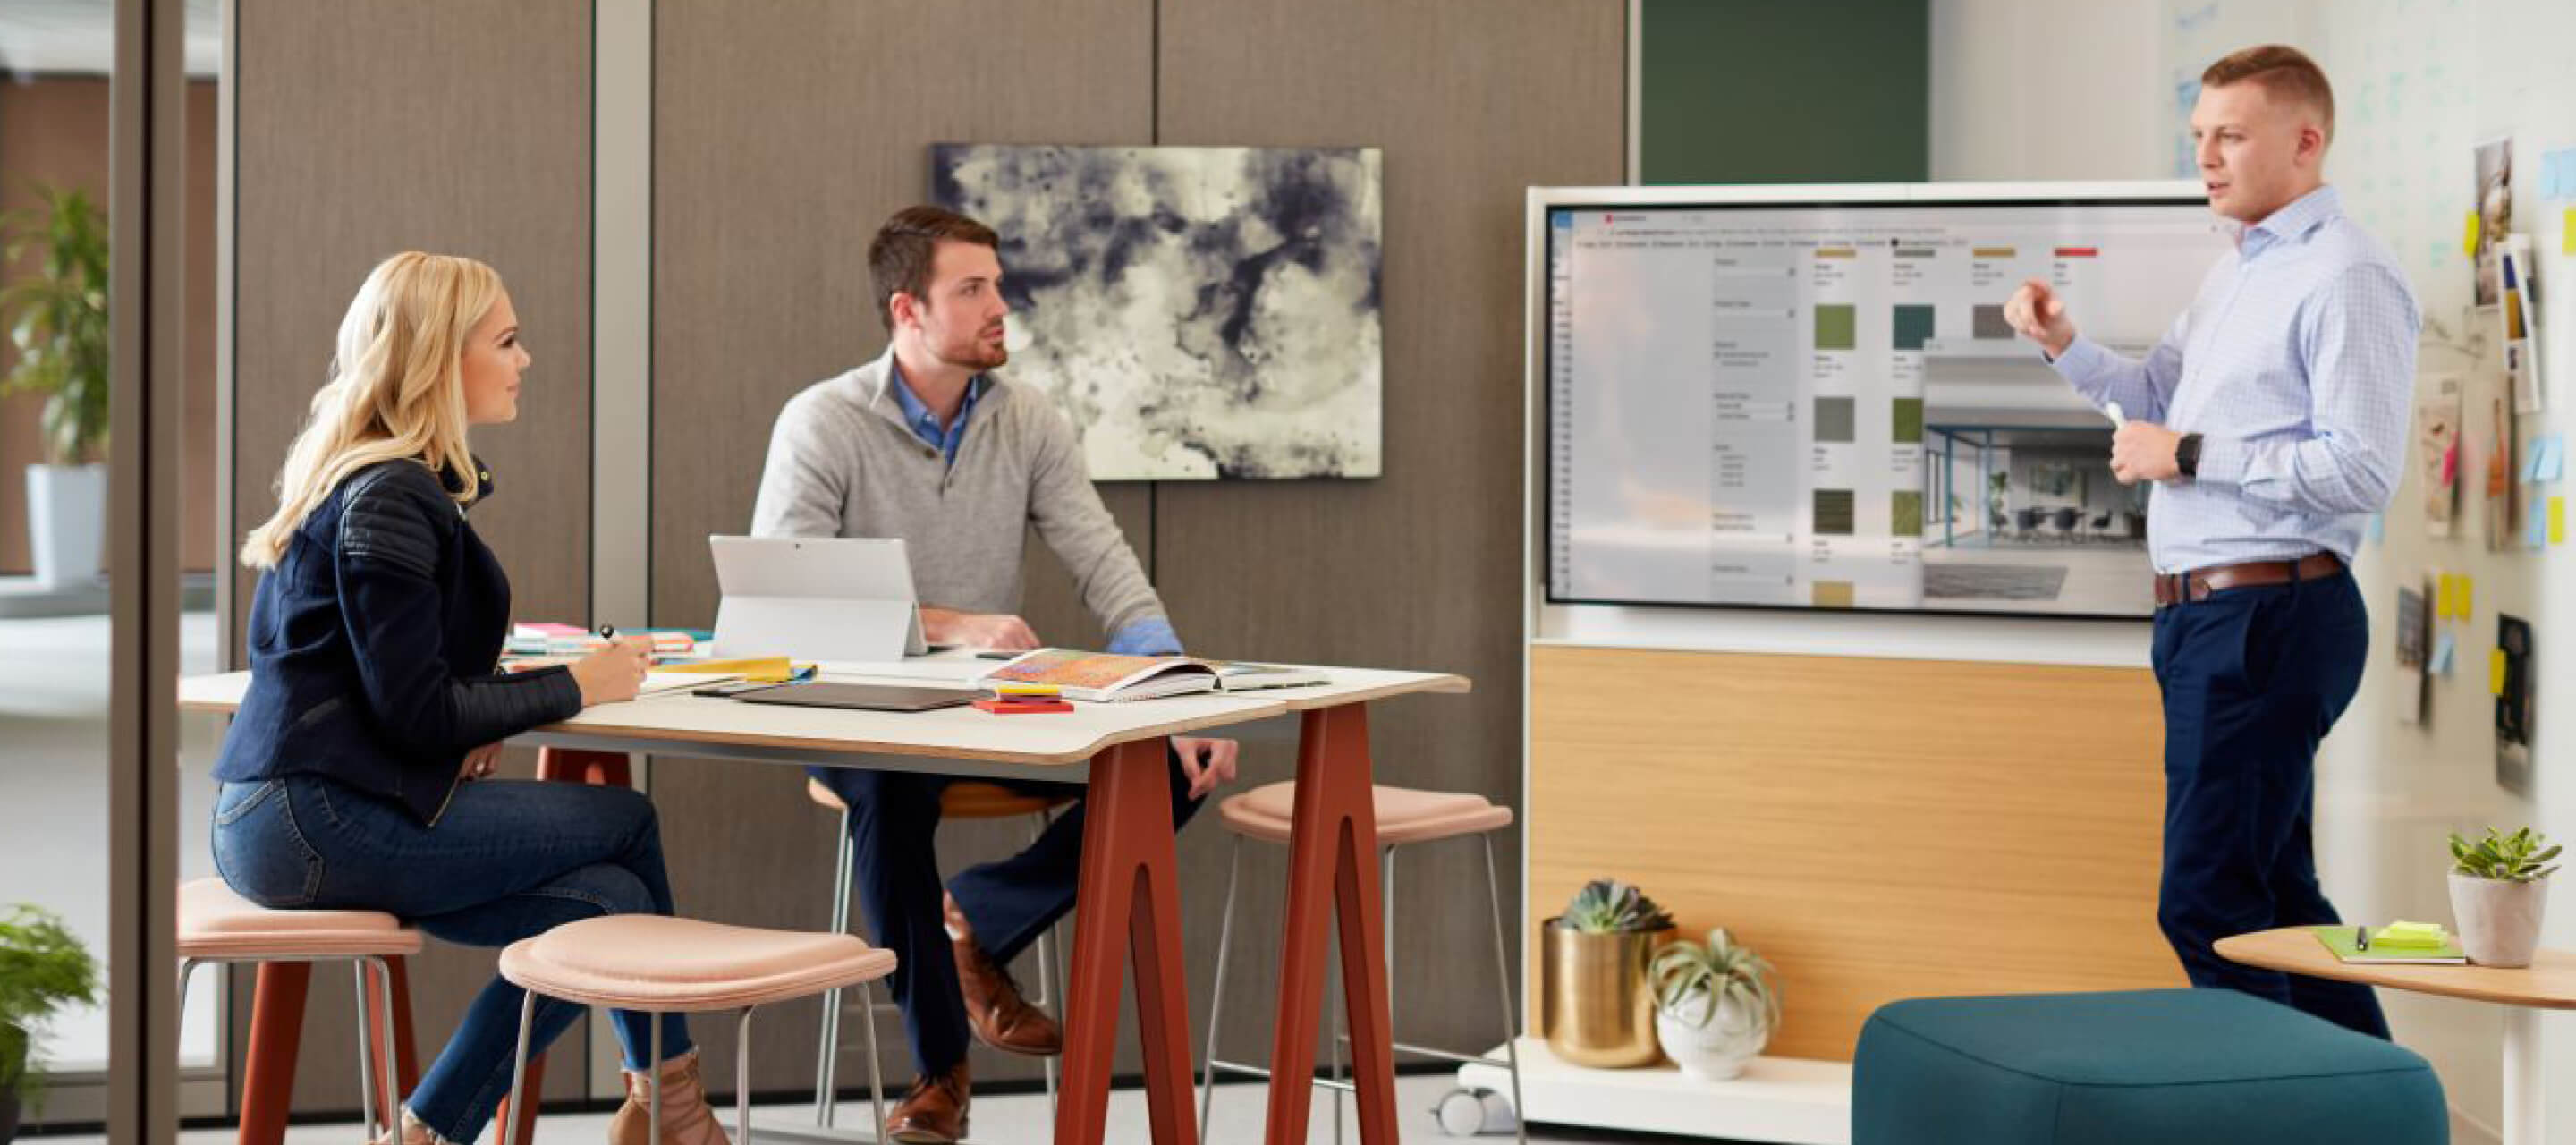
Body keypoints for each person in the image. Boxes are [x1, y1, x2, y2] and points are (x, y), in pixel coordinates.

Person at [214, 252, 727, 1145]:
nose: (525, 359)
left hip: (283, 816)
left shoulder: (365, 477)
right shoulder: (392, 495)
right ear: (440, 360)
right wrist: (580, 682)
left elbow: (390, 678)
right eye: (508, 340)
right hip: (317, 819)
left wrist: (482, 703)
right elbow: (416, 712)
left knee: (607, 898)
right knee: (628, 821)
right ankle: (665, 1106)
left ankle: (632, 1111)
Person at [751, 206, 1239, 1143]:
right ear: (907, 310)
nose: (999, 306)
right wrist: (952, 624)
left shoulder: (1030, 420)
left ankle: (972, 915)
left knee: (1173, 766)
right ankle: (942, 1072)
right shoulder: (823, 420)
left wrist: (1179, 695)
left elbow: (1106, 565)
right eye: (971, 288)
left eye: (998, 284)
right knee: (889, 795)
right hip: (866, 713)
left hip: (989, 707)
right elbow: (787, 594)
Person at [2003, 45, 2414, 1038]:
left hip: (2268, 609)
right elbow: (2151, 400)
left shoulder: (2347, 275)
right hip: (2208, 617)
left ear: (2305, 142)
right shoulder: (2237, 270)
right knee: (2273, 896)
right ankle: (2376, 1110)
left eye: (2230, 135)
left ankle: (2273, 1111)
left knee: (2206, 902)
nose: (2208, 158)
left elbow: (2360, 468)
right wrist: (2066, 343)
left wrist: (2188, 452)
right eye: (2200, 137)